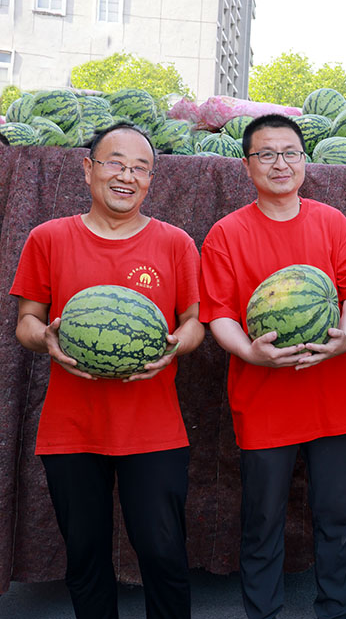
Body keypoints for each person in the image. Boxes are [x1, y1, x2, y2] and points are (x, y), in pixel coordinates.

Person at [10, 123, 204, 619]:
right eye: (115, 163)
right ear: (88, 168)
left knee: (163, 554)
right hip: (71, 428)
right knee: (86, 558)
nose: (127, 176)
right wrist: (46, 338)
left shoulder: (175, 243)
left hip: (153, 427)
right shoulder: (48, 238)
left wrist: (174, 348)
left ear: (151, 179)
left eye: (140, 168)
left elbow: (194, 323)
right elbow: (26, 321)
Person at [199, 114, 346, 619]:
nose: (281, 164)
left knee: (336, 518)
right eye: (267, 154)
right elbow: (218, 313)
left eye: (290, 153)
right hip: (263, 401)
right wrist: (249, 352)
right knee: (262, 521)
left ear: (304, 160)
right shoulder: (226, 233)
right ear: (247, 164)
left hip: (330, 400)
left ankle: (336, 611)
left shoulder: (332, 223)